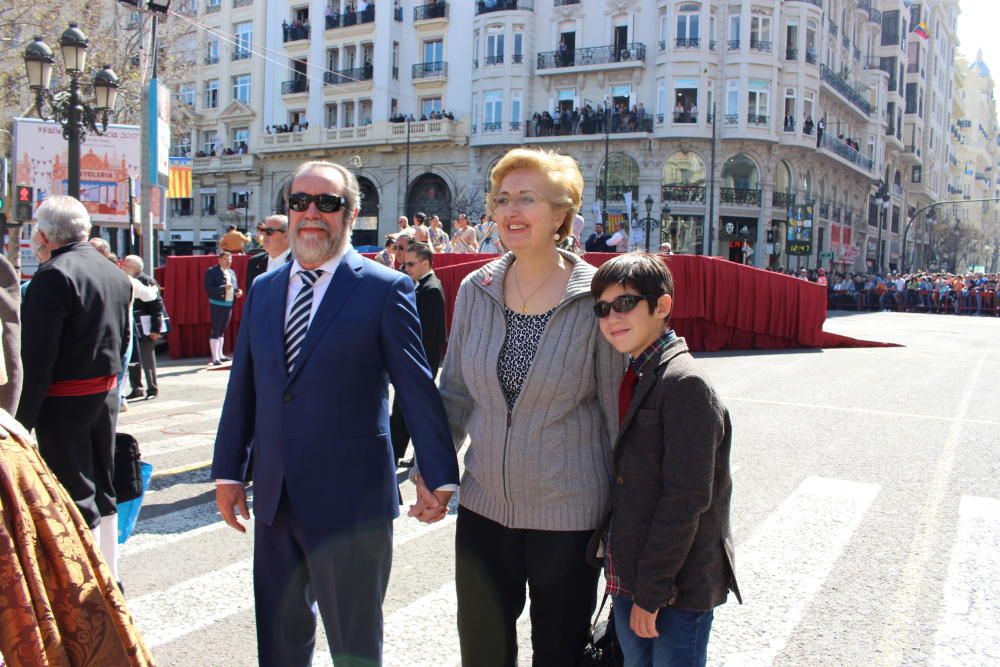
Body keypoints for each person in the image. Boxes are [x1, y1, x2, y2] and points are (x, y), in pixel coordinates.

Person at [211, 160, 460, 666]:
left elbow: (415, 387)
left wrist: (438, 474)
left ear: (350, 214)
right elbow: (245, 389)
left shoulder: (386, 287)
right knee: (279, 643)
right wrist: (227, 472)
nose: (310, 214)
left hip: (353, 507)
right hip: (277, 498)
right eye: (299, 202)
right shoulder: (264, 288)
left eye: (326, 203)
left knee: (354, 645)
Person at [411, 147, 622, 665]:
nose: (510, 211)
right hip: (484, 511)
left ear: (561, 214)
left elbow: (621, 418)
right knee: (482, 653)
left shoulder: (597, 297)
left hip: (568, 518)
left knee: (560, 654)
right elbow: (455, 393)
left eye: (527, 199)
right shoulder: (477, 289)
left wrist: (628, 518)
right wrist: (430, 471)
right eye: (502, 199)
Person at [588, 253, 740, 666]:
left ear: (663, 306)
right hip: (633, 577)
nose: (611, 318)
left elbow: (685, 501)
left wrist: (651, 594)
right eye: (602, 309)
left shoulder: (685, 383)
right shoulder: (639, 370)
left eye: (625, 304)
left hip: (672, 588)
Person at [15, 195, 133, 582]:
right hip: (104, 395)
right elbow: (124, 337)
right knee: (103, 484)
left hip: (65, 400)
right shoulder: (112, 270)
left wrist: (20, 423)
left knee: (74, 490)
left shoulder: (53, 275)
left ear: (45, 234)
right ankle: (111, 574)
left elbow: (37, 359)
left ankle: (88, 587)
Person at [391, 241, 447, 464]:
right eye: (404, 265)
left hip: (420, 362)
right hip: (417, 362)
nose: (406, 269)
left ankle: (395, 454)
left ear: (425, 263)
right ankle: (400, 453)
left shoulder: (430, 290)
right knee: (408, 410)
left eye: (411, 264)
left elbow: (425, 334)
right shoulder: (423, 287)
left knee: (409, 410)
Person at [122, 255, 164, 401]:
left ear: (134, 267)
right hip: (132, 324)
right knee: (134, 358)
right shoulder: (125, 279)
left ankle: (152, 388)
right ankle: (137, 387)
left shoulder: (147, 281)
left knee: (147, 358)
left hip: (146, 325)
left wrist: (156, 329)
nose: (122, 267)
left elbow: (157, 306)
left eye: (125, 265)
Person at [204, 250, 242, 366]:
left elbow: (234, 287)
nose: (228, 262)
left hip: (229, 303)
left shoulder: (231, 272)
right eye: (226, 259)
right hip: (217, 303)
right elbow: (208, 288)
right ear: (219, 260)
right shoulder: (212, 272)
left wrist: (238, 292)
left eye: (230, 259)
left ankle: (220, 355)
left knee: (222, 330)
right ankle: (215, 358)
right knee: (216, 330)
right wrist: (223, 288)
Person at [246, 214, 292, 287]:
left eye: (269, 231)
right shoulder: (255, 262)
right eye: (263, 230)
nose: (264, 235)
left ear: (286, 236)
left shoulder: (299, 263)